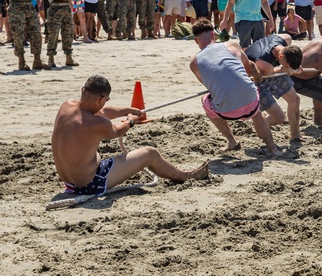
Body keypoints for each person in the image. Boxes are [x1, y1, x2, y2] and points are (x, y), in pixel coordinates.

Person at [52, 76, 208, 196]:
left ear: (82, 90)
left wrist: (126, 110)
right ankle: (184, 176)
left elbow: (99, 112)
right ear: (101, 99)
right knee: (150, 153)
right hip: (89, 185)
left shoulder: (67, 105)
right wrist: (131, 121)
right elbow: (117, 131)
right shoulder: (97, 124)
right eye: (106, 100)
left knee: (89, 148)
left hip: (69, 182)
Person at [190, 18, 280, 156]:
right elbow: (250, 67)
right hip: (250, 103)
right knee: (257, 114)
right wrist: (257, 77)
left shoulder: (194, 63)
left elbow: (209, 86)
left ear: (196, 41)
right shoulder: (232, 45)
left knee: (204, 99)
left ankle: (231, 141)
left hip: (226, 111)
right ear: (214, 35)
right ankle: (272, 148)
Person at [243, 32, 304, 142]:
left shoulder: (285, 39)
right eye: (285, 64)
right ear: (280, 56)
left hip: (271, 71)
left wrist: (294, 67)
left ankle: (296, 135)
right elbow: (267, 73)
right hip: (256, 79)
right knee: (279, 119)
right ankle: (261, 124)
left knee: (295, 100)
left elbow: (283, 66)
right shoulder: (264, 62)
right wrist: (285, 69)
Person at [3, 0, 49, 71]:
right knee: (18, 34)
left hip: (29, 6)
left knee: (36, 33)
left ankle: (37, 60)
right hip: (16, 7)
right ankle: (21, 61)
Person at [44, 0, 79, 68]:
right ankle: (51, 58)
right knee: (53, 34)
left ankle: (69, 57)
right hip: (55, 9)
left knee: (68, 33)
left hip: (66, 9)